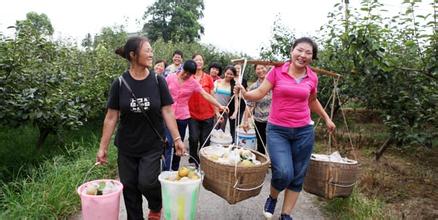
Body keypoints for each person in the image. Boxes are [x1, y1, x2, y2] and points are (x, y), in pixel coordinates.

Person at [234, 37, 336, 220]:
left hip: (304, 131)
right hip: (278, 130)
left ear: (312, 57)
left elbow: (312, 100)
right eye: (300, 50)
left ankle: (286, 214)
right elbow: (259, 93)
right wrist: (244, 92)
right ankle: (273, 196)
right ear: (292, 50)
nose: (303, 55)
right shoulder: (277, 72)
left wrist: (327, 118)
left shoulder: (312, 77)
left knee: (297, 176)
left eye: (308, 52)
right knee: (283, 172)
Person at [96, 36, 185, 220]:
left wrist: (177, 139)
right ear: (133, 55)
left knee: (147, 182)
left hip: (152, 145)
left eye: (151, 50)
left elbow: (167, 111)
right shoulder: (119, 83)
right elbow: (111, 117)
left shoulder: (158, 81)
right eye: (147, 50)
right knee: (129, 188)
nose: (151, 53)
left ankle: (155, 205)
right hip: (127, 147)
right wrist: (102, 147)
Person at [163, 60, 228, 171]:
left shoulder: (193, 83)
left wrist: (219, 105)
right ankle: (165, 170)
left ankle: (174, 170)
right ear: (182, 68)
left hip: (182, 117)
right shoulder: (170, 78)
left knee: (179, 145)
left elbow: (205, 95)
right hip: (168, 116)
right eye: (185, 72)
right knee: (169, 144)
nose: (186, 75)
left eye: (189, 74)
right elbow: (161, 93)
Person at [188, 53, 218, 165]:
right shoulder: (188, 77)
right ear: (192, 62)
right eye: (196, 60)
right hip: (192, 114)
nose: (199, 62)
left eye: (201, 60)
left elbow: (211, 95)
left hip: (208, 114)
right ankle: (193, 157)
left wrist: (217, 112)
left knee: (205, 140)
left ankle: (203, 161)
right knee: (193, 138)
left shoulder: (209, 78)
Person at [241, 64, 271, 154]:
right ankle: (262, 166)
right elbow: (249, 105)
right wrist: (245, 121)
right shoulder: (254, 87)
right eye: (258, 69)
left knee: (273, 144)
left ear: (267, 69)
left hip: (273, 120)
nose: (260, 70)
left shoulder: (273, 84)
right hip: (260, 120)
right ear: (255, 71)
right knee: (261, 144)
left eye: (263, 68)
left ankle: (274, 164)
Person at [213, 65, 237, 131]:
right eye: (227, 73)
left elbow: (236, 100)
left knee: (221, 132)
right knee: (213, 131)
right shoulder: (217, 82)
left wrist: (235, 112)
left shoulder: (234, 85)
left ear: (234, 75)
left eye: (231, 74)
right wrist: (217, 111)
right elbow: (212, 96)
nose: (229, 75)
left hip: (224, 112)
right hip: (214, 110)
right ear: (224, 73)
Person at [229, 63, 248, 143]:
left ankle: (235, 141)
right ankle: (233, 140)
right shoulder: (230, 79)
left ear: (241, 70)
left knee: (237, 124)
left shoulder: (243, 80)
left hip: (241, 105)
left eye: (239, 68)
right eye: (236, 68)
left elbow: (246, 92)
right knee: (232, 124)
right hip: (231, 105)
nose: (237, 70)